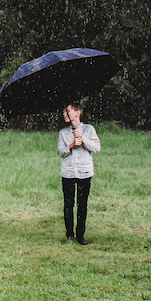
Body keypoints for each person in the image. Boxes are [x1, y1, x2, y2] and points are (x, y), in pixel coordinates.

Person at [58, 102, 101, 245]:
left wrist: (82, 139)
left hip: (84, 172)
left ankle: (80, 235)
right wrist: (71, 146)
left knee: (82, 205)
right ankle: (69, 233)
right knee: (68, 204)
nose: (64, 113)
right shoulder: (63, 132)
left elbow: (96, 148)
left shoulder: (89, 129)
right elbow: (60, 152)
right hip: (68, 172)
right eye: (64, 111)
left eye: (67, 111)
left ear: (77, 113)